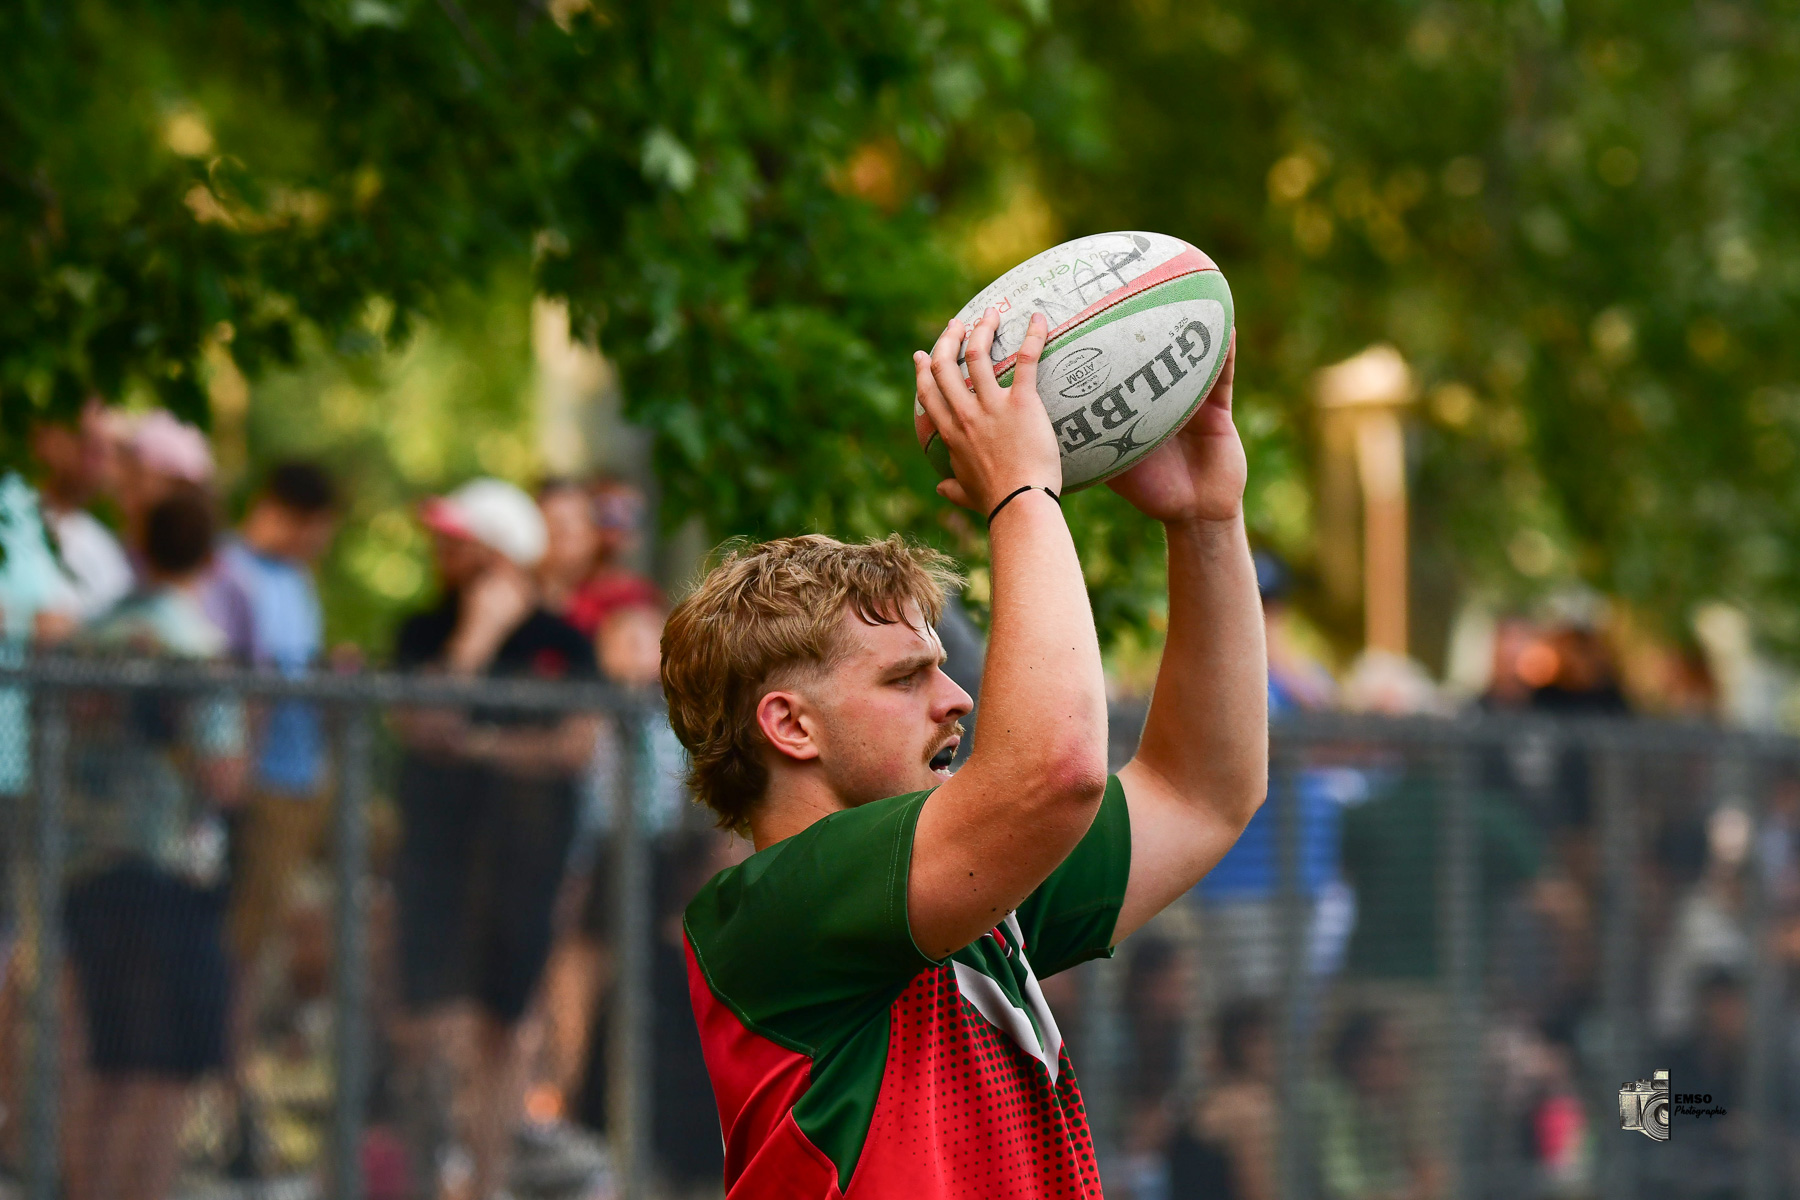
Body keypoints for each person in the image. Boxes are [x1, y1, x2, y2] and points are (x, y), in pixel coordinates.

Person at [662, 308, 1266, 1194]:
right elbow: (1058, 774)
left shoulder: (971, 903)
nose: (958, 699)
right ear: (790, 726)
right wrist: (1023, 494)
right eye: (907, 678)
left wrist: (1208, 520)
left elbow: (1202, 793)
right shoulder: (774, 911)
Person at [389, 477, 602, 1200]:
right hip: (436, 860)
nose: (441, 553)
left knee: (503, 1025)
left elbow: (575, 745)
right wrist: (475, 640)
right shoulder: (426, 633)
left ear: (498, 554)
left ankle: (484, 1180)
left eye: (458, 543)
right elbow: (422, 727)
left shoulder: (563, 641)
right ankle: (426, 1176)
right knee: (429, 1027)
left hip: (523, 864)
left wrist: (478, 746)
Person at [60, 485, 247, 1200]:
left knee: (101, 1060)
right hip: (168, 871)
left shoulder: (93, 633)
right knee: (160, 1067)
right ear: (210, 553)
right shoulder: (196, 645)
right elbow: (222, 774)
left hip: (82, 857)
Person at [213, 461, 340, 969]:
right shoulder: (227, 570)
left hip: (301, 778)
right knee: (236, 938)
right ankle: (221, 1047)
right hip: (250, 780)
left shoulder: (297, 579)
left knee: (265, 937)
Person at [1314, 1011, 1442, 1200]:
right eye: (1387, 1054)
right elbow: (1347, 1193)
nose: (1399, 1066)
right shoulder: (1330, 1105)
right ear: (1356, 1057)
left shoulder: (1376, 1108)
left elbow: (1421, 1171)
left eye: (1404, 1054)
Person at [29, 400, 133, 622]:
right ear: (48, 437)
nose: (97, 465)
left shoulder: (103, 547)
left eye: (106, 452)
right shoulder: (10, 515)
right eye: (89, 447)